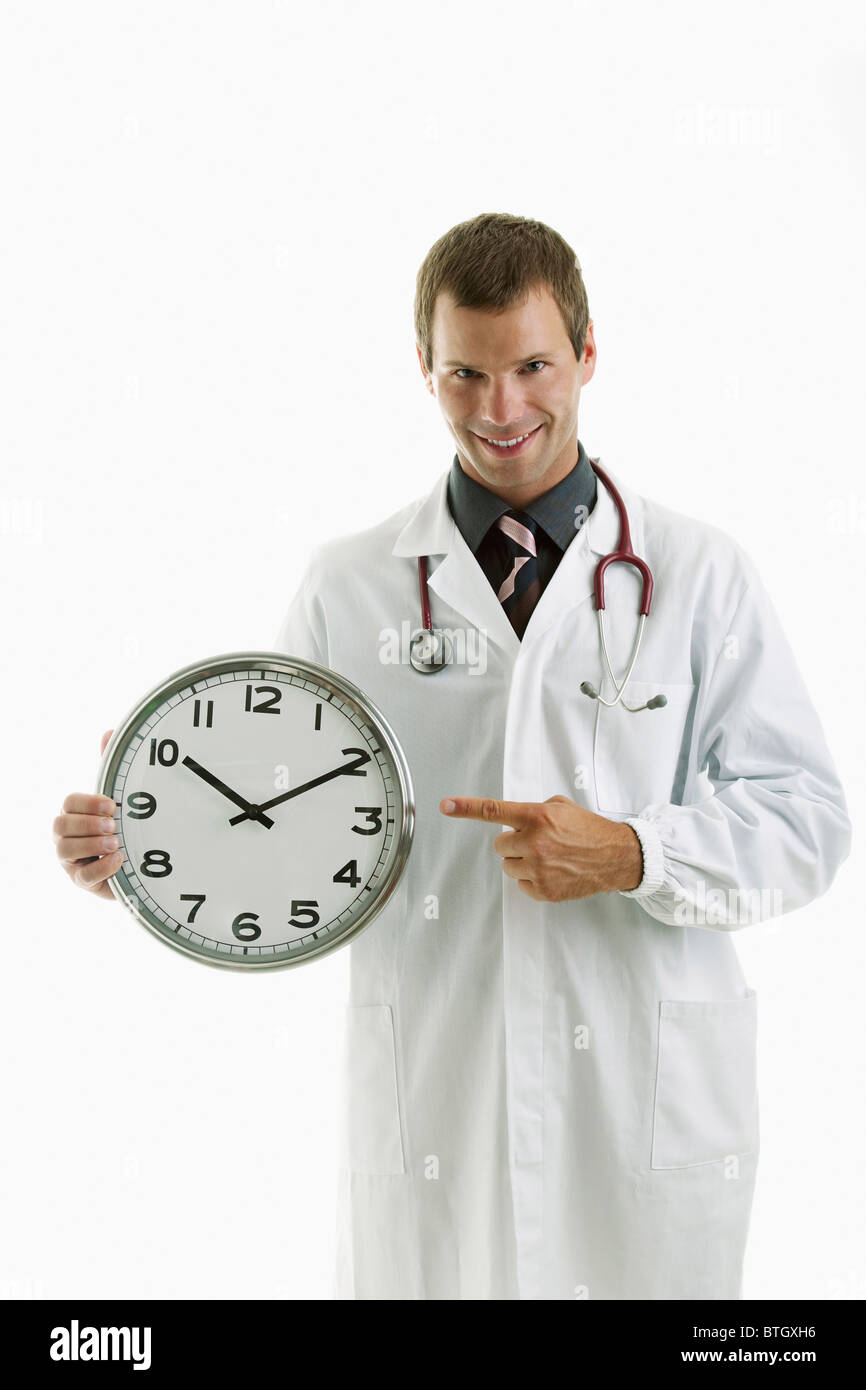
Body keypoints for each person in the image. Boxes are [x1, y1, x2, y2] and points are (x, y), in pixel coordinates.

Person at [54, 212, 852, 1300]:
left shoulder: (699, 575)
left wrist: (630, 852)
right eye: (463, 373)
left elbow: (806, 821)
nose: (500, 408)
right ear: (423, 371)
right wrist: (142, 841)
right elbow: (277, 826)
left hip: (638, 1100)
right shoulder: (349, 584)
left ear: (584, 354)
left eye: (530, 365)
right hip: (436, 1097)